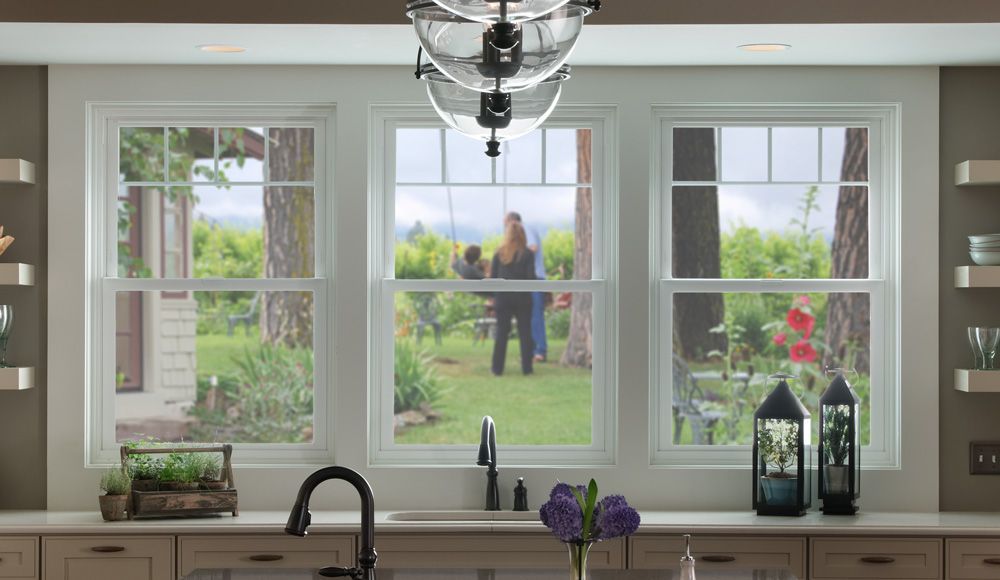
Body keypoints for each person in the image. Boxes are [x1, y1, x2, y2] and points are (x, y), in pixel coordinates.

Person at [490, 221, 536, 376]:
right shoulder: (527, 254)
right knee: (525, 332)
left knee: (502, 332)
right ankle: (527, 368)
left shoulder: (498, 253)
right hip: (523, 298)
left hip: (503, 298)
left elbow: (493, 278)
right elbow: (531, 279)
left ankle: (497, 369)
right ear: (522, 235)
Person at [504, 212, 547, 362]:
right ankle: (532, 350)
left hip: (534, 277)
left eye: (506, 225)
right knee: (529, 315)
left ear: (512, 222)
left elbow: (533, 247)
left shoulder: (525, 228)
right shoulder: (526, 228)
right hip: (529, 278)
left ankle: (539, 351)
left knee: (535, 316)